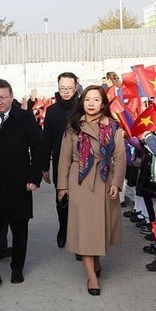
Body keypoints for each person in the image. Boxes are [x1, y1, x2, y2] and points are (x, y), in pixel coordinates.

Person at [56, 85, 125, 296]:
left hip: (104, 180)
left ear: (103, 103)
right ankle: (92, 277)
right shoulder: (73, 127)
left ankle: (95, 263)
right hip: (81, 181)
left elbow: (120, 157)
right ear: (82, 102)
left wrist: (116, 183)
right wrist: (62, 186)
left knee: (99, 228)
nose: (91, 104)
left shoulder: (113, 127)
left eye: (96, 100)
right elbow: (64, 158)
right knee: (85, 229)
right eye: (87, 100)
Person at [0, 79, 42, 288]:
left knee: (19, 230)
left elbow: (38, 149)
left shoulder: (24, 118)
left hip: (19, 184)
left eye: (3, 97)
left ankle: (17, 269)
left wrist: (34, 178)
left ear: (11, 96)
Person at [40, 72, 80, 248]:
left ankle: (79, 237)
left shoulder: (83, 108)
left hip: (81, 163)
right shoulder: (52, 111)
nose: (66, 92)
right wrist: (44, 166)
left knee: (80, 202)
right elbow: (46, 139)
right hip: (59, 163)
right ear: (58, 88)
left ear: (76, 87)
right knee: (62, 199)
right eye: (63, 88)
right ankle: (63, 228)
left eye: (69, 89)